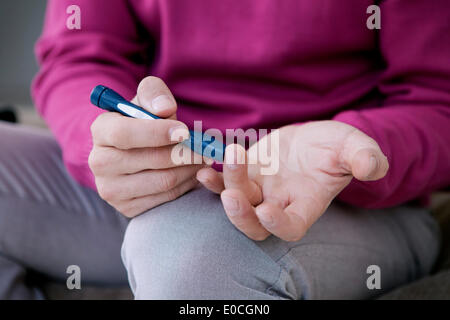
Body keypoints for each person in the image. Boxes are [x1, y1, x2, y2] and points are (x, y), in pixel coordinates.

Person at [0, 0, 449, 299]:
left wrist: (353, 144)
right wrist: (107, 143)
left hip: (333, 198)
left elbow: (438, 96)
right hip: (155, 176)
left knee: (188, 254)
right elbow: (79, 55)